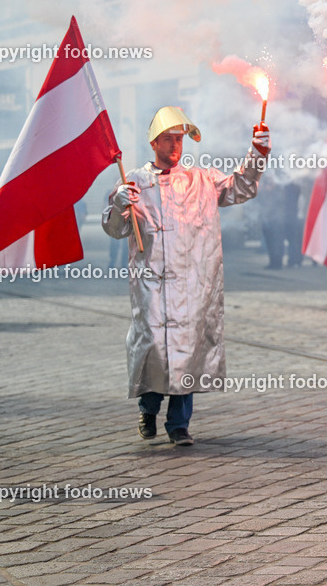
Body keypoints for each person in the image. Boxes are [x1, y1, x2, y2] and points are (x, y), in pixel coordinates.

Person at [102, 106, 269, 445]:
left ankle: (179, 424)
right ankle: (148, 408)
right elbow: (115, 229)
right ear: (154, 143)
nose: (174, 145)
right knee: (153, 346)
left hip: (193, 284)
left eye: (179, 139)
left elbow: (241, 186)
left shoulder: (201, 179)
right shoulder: (133, 181)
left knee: (186, 350)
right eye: (167, 139)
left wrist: (258, 153)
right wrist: (118, 203)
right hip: (151, 284)